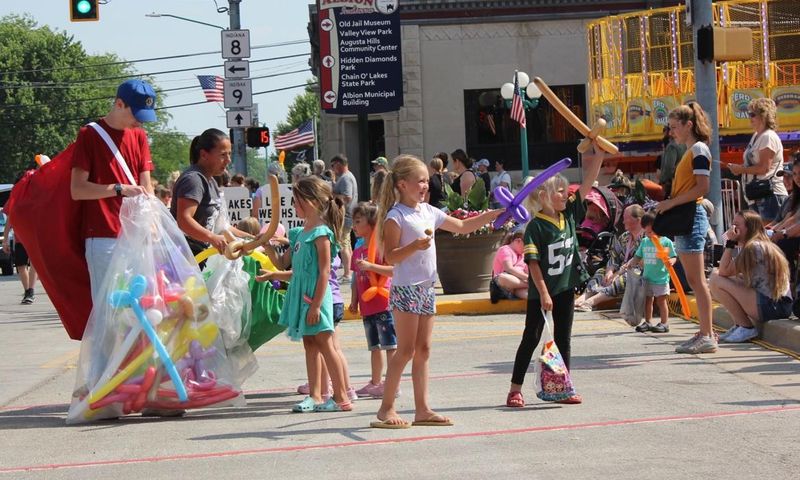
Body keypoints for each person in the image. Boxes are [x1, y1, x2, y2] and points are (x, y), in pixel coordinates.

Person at [371, 154, 501, 428]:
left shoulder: (428, 211)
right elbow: (391, 256)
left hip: (427, 289)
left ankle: (422, 409)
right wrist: (414, 247)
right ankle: (386, 408)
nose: (425, 186)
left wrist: (491, 216)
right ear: (402, 184)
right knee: (405, 351)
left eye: (426, 181)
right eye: (419, 181)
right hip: (407, 290)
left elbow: (462, 227)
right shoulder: (396, 217)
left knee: (424, 349)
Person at [505, 143, 603, 408]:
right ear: (543, 195)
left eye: (564, 190)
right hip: (542, 291)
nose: (565, 194)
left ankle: (563, 387)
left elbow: (587, 184)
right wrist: (544, 293)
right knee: (531, 337)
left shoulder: (568, 214)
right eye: (559, 190)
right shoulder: (535, 227)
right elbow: (533, 264)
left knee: (564, 338)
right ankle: (515, 389)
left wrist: (599, 155)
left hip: (565, 287)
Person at [260, 176, 352, 412]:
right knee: (310, 344)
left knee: (325, 344)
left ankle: (341, 397)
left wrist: (316, 305)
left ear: (311, 201)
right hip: (303, 295)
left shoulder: (321, 233)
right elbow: (284, 264)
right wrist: (267, 247)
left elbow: (324, 272)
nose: (294, 205)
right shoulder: (300, 233)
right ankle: (315, 396)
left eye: (297, 200)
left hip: (316, 297)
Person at [70, 79, 156, 302]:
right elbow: (77, 190)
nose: (140, 121)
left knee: (141, 307)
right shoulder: (89, 134)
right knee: (108, 309)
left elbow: (147, 185)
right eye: (136, 114)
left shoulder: (139, 136)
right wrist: (119, 189)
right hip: (103, 235)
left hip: (136, 234)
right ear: (119, 104)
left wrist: (152, 222)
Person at [656, 103, 716, 354]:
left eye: (674, 127)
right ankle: (704, 332)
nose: (671, 132)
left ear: (688, 125)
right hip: (687, 215)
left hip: (691, 215)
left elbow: (702, 187)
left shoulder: (698, 149)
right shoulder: (692, 150)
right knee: (695, 279)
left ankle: (707, 334)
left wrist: (670, 203)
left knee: (697, 280)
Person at [711, 210, 792, 343]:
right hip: (779, 305)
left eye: (737, 225)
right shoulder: (761, 244)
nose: (733, 229)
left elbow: (723, 271)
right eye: (732, 225)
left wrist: (730, 243)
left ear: (749, 228)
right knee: (722, 279)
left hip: (773, 306)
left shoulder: (753, 248)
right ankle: (739, 325)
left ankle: (745, 327)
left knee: (716, 279)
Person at [348, 202, 398, 398]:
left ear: (372, 223)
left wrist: (371, 266)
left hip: (383, 304)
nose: (354, 226)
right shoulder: (357, 251)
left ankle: (392, 383)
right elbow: (355, 279)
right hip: (367, 306)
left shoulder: (382, 248)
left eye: (358, 221)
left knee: (390, 346)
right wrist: (354, 301)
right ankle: (375, 382)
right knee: (374, 347)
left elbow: (393, 270)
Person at [170, 129, 237, 258]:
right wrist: (212, 237)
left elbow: (222, 227)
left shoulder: (211, 181)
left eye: (229, 154)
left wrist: (252, 238)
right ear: (204, 155)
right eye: (223, 155)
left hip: (201, 257)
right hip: (184, 257)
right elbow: (184, 220)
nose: (228, 160)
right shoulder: (193, 180)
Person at [574, 204, 645, 312]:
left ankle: (591, 302)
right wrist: (609, 271)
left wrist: (618, 274)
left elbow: (636, 261)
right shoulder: (624, 237)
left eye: (626, 218)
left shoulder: (646, 238)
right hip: (620, 269)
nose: (623, 221)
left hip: (638, 272)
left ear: (638, 220)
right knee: (601, 272)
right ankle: (582, 298)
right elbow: (614, 255)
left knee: (626, 277)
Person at [727, 98, 787, 222]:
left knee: (768, 232)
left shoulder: (768, 137)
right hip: (757, 194)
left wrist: (741, 169)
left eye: (752, 114)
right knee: (759, 233)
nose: (749, 118)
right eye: (749, 114)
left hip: (770, 194)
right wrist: (739, 168)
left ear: (764, 116)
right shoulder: (756, 136)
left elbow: (764, 168)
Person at [619, 212, 676, 333]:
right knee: (648, 300)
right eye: (647, 232)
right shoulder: (645, 242)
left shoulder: (666, 242)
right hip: (647, 278)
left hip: (661, 278)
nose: (650, 235)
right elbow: (638, 256)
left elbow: (673, 256)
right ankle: (648, 321)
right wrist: (630, 264)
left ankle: (664, 323)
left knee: (661, 301)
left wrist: (671, 261)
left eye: (652, 232)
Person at [331, 154, 358, 280]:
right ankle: (350, 271)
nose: (332, 168)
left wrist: (333, 194)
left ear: (338, 164)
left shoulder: (346, 178)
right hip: (347, 215)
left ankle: (347, 273)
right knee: (346, 244)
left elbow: (347, 197)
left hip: (345, 215)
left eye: (333, 165)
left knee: (343, 245)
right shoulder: (345, 177)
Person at [2, 225, 37, 304]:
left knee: (34, 264)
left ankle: (30, 291)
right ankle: (27, 291)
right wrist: (5, 241)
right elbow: (8, 224)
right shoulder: (14, 215)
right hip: (20, 240)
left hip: (35, 239)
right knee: (20, 266)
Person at [489, 229, 528, 303]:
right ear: (518, 241)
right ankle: (530, 285)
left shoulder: (522, 255)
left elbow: (527, 270)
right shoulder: (505, 250)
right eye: (526, 245)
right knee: (502, 277)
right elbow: (508, 268)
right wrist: (528, 279)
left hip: (517, 287)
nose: (526, 249)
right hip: (503, 286)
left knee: (530, 294)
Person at [656, 125, 687, 198]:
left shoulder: (672, 146)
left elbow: (668, 168)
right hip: (684, 183)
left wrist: (663, 181)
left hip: (672, 185)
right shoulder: (684, 144)